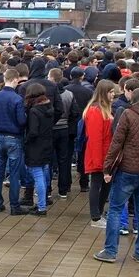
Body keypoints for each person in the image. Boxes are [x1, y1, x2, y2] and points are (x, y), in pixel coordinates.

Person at [93, 88, 139, 264]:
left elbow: (116, 143)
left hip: (127, 170)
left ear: (133, 99)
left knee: (115, 209)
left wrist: (107, 168)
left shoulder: (128, 115)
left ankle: (111, 251)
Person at [0, 68, 28, 215]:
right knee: (14, 174)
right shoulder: (17, 99)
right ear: (15, 79)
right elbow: (22, 121)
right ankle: (14, 206)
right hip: (14, 138)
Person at [83, 80, 117, 228]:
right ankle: (95, 216)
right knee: (97, 185)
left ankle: (98, 214)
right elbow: (96, 138)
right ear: (104, 93)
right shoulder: (96, 111)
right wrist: (98, 162)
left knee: (104, 185)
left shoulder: (103, 109)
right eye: (111, 92)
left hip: (105, 155)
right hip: (99, 155)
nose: (113, 95)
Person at [23, 83, 54, 216]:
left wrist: (26, 140)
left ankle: (41, 206)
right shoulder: (49, 107)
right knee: (44, 173)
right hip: (47, 144)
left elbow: (33, 131)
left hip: (36, 147)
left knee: (37, 175)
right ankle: (43, 202)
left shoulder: (34, 111)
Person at [49, 67, 79, 198]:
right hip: (64, 129)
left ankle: (48, 189)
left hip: (50, 130)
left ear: (51, 77)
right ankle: (63, 189)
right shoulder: (69, 94)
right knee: (64, 160)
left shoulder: (48, 94)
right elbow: (75, 112)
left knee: (49, 160)